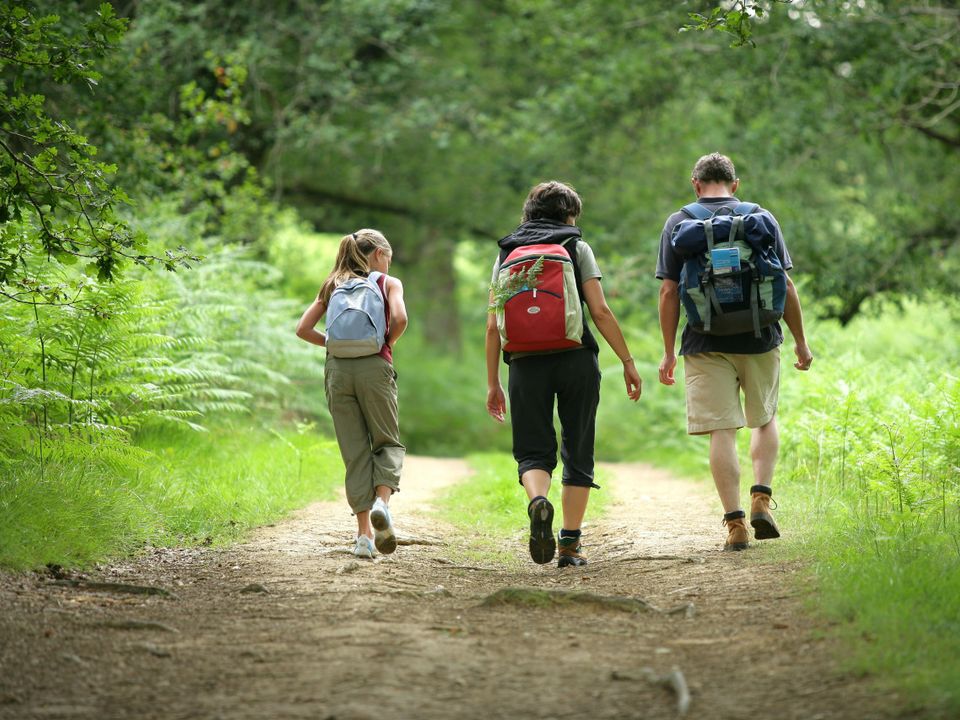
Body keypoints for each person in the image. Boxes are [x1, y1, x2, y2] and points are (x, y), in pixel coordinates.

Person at [656, 153, 813, 551]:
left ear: (695, 183)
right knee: (764, 419)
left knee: (721, 431)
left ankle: (736, 524)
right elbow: (786, 285)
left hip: (705, 342)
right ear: (735, 184)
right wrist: (800, 340)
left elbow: (669, 291)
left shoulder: (679, 223)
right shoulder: (760, 218)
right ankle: (761, 497)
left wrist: (668, 351)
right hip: (760, 337)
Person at [486, 181, 642, 567]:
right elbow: (600, 311)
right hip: (576, 358)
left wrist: (493, 383)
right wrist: (626, 360)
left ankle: (539, 501)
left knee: (532, 449)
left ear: (529, 212)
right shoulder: (576, 247)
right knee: (578, 445)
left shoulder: (508, 251)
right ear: (569, 215)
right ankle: (570, 544)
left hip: (523, 363)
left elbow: (493, 325)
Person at [296, 229, 408, 559]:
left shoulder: (332, 284)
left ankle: (363, 538)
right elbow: (400, 318)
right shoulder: (387, 283)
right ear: (378, 255)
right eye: (387, 258)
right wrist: (386, 343)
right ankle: (381, 504)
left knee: (355, 452)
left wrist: (332, 344)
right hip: (374, 367)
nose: (388, 264)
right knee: (387, 442)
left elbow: (302, 329)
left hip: (338, 372)